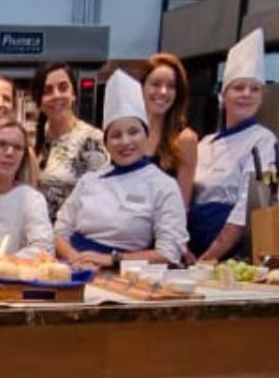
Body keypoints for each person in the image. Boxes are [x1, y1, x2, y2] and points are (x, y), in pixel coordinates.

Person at [54, 70, 188, 269]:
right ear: (106, 143)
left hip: (125, 276)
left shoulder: (164, 186)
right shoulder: (89, 181)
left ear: (146, 135)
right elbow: (58, 233)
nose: (125, 142)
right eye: (116, 135)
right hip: (72, 270)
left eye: (133, 132)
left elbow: (169, 253)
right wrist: (76, 259)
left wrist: (111, 259)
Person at [189, 28, 279, 264]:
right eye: (238, 88)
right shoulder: (204, 143)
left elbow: (252, 201)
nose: (246, 94)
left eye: (254, 89)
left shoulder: (265, 141)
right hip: (194, 242)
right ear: (222, 95)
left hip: (233, 250)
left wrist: (213, 254)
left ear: (262, 96)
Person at [32, 61, 106, 222]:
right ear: (39, 102)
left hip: (74, 238)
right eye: (47, 90)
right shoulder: (36, 139)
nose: (57, 95)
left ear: (74, 94)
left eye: (63, 87)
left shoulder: (92, 139)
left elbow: (100, 199)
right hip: (40, 236)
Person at [0, 118, 51, 257]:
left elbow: (43, 250)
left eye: (18, 147)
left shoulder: (32, 199)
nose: (10, 153)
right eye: (1, 144)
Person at [142, 52, 199, 206]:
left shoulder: (185, 139)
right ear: (142, 87)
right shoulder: (130, 132)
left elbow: (181, 205)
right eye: (156, 84)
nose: (163, 92)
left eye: (171, 86)